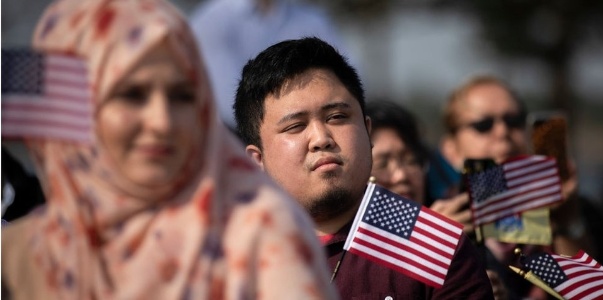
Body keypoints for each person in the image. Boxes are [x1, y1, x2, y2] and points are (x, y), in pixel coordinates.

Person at [1, 1, 338, 299]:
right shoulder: (17, 257)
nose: (162, 122)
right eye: (131, 95)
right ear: (74, 107)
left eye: (182, 96)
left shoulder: (259, 237)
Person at [234, 37, 494, 298]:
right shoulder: (227, 261)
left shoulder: (434, 247)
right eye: (295, 126)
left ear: (368, 132)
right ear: (257, 160)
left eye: (337, 117)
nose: (321, 138)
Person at [431, 74, 603, 299]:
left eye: (514, 121)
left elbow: (592, 294)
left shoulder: (579, 211)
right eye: (483, 125)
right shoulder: (435, 220)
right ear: (451, 148)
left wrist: (567, 224)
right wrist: (435, 247)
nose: (502, 132)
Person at [366, 99, 508, 299]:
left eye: (411, 160)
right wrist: (429, 241)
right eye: (381, 163)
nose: (401, 175)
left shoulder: (462, 231)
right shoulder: (344, 250)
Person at [190, 0, 346, 130]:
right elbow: (229, 104)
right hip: (240, 138)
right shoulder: (210, 22)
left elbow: (345, 80)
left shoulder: (312, 18)